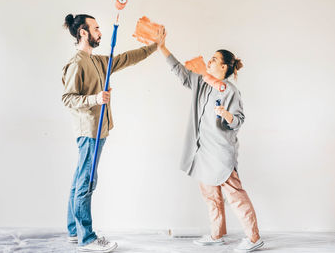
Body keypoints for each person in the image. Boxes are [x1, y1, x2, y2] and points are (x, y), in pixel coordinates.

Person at [62, 13, 163, 252]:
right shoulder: (77, 63)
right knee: (86, 182)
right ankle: (87, 239)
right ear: (83, 32)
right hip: (89, 133)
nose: (100, 32)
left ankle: (74, 231)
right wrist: (96, 98)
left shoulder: (96, 62)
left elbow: (126, 58)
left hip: (99, 130)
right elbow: (67, 99)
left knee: (80, 181)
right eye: (96, 28)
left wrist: (154, 47)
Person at [157, 29, 264, 252]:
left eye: (214, 59)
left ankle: (254, 238)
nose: (209, 61)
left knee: (235, 195)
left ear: (224, 67)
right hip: (202, 151)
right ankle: (217, 235)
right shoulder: (201, 82)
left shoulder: (230, 91)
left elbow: (238, 120)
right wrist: (162, 46)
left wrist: (227, 116)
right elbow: (180, 71)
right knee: (210, 195)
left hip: (221, 152)